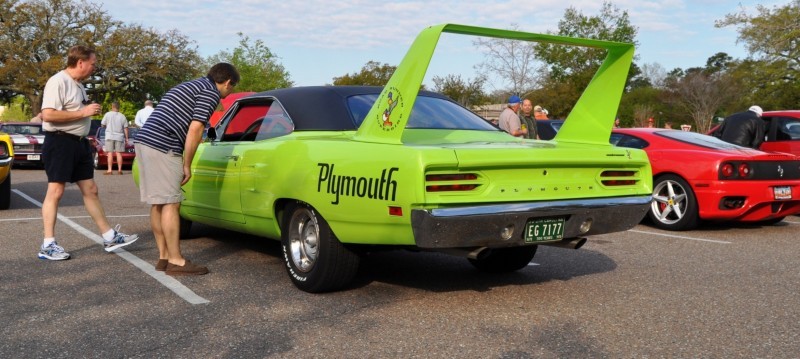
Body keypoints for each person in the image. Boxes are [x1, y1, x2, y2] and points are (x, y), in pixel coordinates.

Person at [134, 62, 240, 275]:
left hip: (145, 141)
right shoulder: (211, 93)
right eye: (232, 87)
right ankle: (176, 261)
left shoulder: (190, 85)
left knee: (158, 202)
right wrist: (187, 164)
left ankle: (164, 257)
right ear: (228, 82)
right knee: (172, 203)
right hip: (164, 144)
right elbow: (196, 128)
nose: (230, 92)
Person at [38, 45, 138, 260]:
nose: (94, 68)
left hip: (80, 143)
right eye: (92, 63)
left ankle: (109, 236)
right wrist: (83, 112)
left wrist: (85, 113)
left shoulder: (79, 85)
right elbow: (47, 115)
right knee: (55, 192)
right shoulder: (58, 81)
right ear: (80, 62)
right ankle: (48, 244)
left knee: (91, 189)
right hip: (60, 142)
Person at [100, 101, 129, 175]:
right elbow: (126, 128)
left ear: (112, 107)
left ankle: (109, 170)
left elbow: (102, 125)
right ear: (118, 107)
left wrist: (107, 125)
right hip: (119, 137)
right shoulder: (122, 116)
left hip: (109, 136)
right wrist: (127, 138)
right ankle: (119, 170)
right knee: (119, 153)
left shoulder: (107, 114)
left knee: (110, 153)